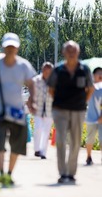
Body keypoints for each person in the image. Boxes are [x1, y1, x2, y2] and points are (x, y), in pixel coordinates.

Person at [0, 33, 36, 186]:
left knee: (18, 143)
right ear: (4, 48)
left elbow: (31, 84)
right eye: (8, 47)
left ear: (17, 48)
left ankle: (10, 172)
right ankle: (1, 172)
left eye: (13, 47)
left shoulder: (23, 65)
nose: (10, 49)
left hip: (17, 111)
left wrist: (31, 100)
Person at [47, 40, 94, 184]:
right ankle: (62, 173)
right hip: (60, 110)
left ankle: (71, 173)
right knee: (60, 141)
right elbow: (51, 89)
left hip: (78, 110)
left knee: (75, 142)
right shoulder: (58, 70)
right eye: (69, 50)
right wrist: (61, 101)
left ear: (78, 52)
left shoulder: (84, 69)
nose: (71, 53)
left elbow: (90, 89)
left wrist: (82, 102)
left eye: (74, 50)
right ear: (64, 53)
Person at [32, 62, 54, 159]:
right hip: (38, 109)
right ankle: (37, 149)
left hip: (50, 110)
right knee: (38, 128)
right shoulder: (36, 80)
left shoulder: (54, 81)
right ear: (42, 70)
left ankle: (43, 152)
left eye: (49, 71)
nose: (47, 73)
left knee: (46, 131)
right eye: (45, 70)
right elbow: (31, 94)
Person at [85, 67, 102, 165]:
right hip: (91, 118)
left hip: (101, 119)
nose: (100, 75)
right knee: (90, 138)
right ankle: (88, 157)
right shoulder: (89, 88)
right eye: (98, 73)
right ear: (93, 76)